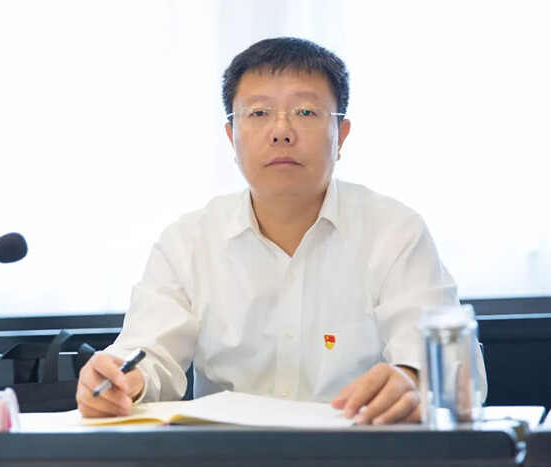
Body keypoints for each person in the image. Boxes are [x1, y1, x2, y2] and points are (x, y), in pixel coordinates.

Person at [76, 37, 486, 425]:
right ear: (231, 136)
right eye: (258, 113)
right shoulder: (187, 242)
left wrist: (413, 379)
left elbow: (450, 365)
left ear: (340, 135)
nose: (281, 131)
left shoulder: (394, 231)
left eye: (305, 112)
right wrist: (119, 379)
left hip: (359, 452)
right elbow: (147, 352)